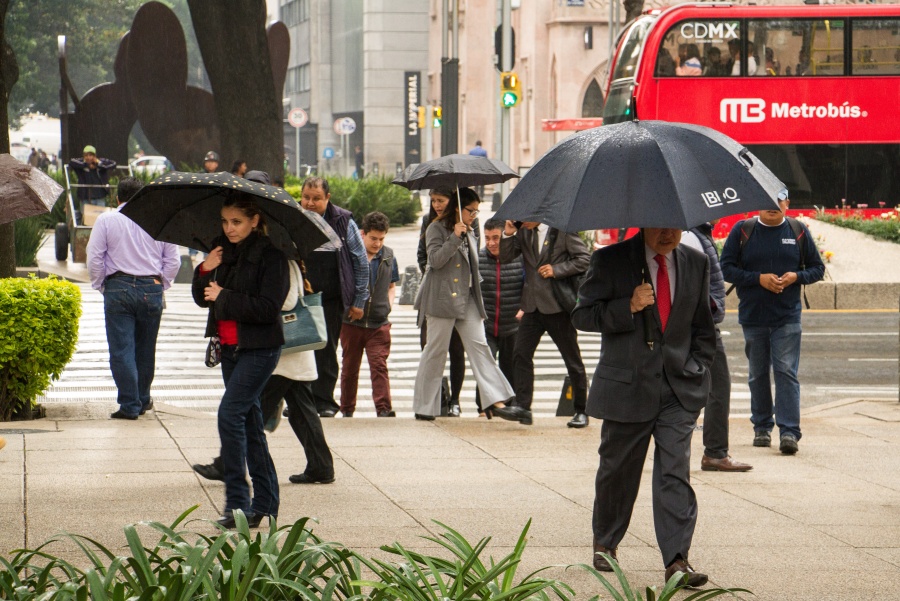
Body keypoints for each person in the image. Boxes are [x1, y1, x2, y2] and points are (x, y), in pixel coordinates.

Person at [572, 228, 716, 587]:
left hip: (678, 388)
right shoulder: (610, 259)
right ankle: (606, 541)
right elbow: (582, 315)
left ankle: (676, 560)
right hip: (627, 386)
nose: (668, 234)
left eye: (675, 225)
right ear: (642, 220)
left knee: (674, 472)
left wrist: (697, 367)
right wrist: (627, 306)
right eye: (660, 225)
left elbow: (703, 325)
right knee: (618, 471)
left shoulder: (695, 261)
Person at [191, 193, 288, 528]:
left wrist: (225, 296)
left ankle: (237, 502)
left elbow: (268, 308)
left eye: (236, 222)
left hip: (260, 349)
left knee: (229, 415)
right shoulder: (222, 251)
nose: (229, 228)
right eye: (224, 221)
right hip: (230, 350)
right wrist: (205, 269)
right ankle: (265, 505)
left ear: (254, 221)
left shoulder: (271, 257)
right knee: (249, 425)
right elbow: (202, 299)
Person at [720, 193, 825, 455]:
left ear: (787, 204)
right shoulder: (742, 230)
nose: (773, 207)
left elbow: (817, 268)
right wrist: (758, 279)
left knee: (786, 371)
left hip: (787, 316)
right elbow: (726, 268)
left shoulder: (798, 231)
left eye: (779, 201)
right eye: (766, 200)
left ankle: (789, 431)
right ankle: (762, 427)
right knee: (757, 374)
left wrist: (795, 277)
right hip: (753, 316)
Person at [413, 187, 524, 422]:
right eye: (471, 211)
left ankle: (496, 401)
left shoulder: (472, 229)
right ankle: (424, 406)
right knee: (435, 350)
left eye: (476, 211)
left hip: (468, 296)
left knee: (479, 346)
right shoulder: (435, 227)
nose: (474, 215)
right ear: (458, 208)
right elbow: (433, 260)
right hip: (442, 297)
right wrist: (454, 237)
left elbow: (472, 264)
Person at [86, 177, 180, 420]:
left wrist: (101, 286)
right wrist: (162, 284)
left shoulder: (106, 220)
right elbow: (173, 261)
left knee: (121, 349)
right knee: (146, 349)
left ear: (117, 198)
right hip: (152, 287)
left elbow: (95, 258)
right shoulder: (158, 222)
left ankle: (130, 404)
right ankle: (143, 398)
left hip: (119, 287)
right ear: (142, 197)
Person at [500, 220, 591, 428]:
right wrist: (507, 233)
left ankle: (581, 410)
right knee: (521, 353)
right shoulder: (524, 233)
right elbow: (505, 257)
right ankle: (523, 407)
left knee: (572, 359)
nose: (521, 220)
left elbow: (584, 259)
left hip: (556, 306)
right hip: (532, 306)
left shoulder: (562, 231)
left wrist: (557, 269)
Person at [681, 223, 752, 472]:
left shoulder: (698, 233)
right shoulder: (689, 235)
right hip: (699, 323)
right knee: (717, 385)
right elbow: (687, 278)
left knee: (706, 386)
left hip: (699, 320)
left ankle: (712, 451)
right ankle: (715, 453)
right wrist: (708, 306)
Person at [299, 177, 369, 417]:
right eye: (306, 197)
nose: (310, 203)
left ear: (327, 198)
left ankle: (325, 401)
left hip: (331, 297)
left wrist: (359, 301)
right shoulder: (295, 218)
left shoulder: (343, 221)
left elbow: (360, 261)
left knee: (326, 349)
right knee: (299, 348)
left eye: (316, 199)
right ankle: (301, 401)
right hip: (301, 297)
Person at [262, 258, 336, 485]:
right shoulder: (289, 260)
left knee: (250, 412)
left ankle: (227, 463)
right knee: (302, 413)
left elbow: (287, 301)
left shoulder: (283, 262)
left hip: (286, 353)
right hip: (291, 355)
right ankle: (321, 467)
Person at [417, 187, 478, 416]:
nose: (436, 205)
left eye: (440, 200)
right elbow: (427, 257)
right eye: (433, 201)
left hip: (460, 294)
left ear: (451, 202)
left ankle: (455, 399)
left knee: (457, 349)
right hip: (437, 294)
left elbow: (473, 257)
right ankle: (431, 401)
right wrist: (433, 275)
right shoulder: (430, 223)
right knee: (432, 348)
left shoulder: (470, 221)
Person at [339, 211, 399, 418]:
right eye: (373, 238)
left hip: (379, 323)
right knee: (349, 368)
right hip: (352, 322)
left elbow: (392, 285)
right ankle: (347, 409)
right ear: (363, 234)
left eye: (382, 239)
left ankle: (383, 408)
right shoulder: (351, 256)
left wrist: (388, 306)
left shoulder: (389, 256)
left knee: (379, 365)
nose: (377, 243)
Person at [474, 219, 524, 414]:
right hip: (486, 324)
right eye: (487, 238)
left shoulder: (518, 258)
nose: (492, 243)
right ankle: (484, 407)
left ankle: (510, 406)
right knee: (486, 366)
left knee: (510, 366)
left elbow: (528, 286)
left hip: (513, 324)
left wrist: (524, 308)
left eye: (496, 238)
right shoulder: (478, 259)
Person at [69, 145, 117, 219]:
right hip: (85, 196)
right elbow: (71, 162)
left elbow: (113, 164)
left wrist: (99, 165)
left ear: (94, 156)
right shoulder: (81, 163)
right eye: (86, 155)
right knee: (85, 218)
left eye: (91, 155)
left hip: (100, 196)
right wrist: (86, 165)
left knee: (101, 218)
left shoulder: (101, 162)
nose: (88, 157)